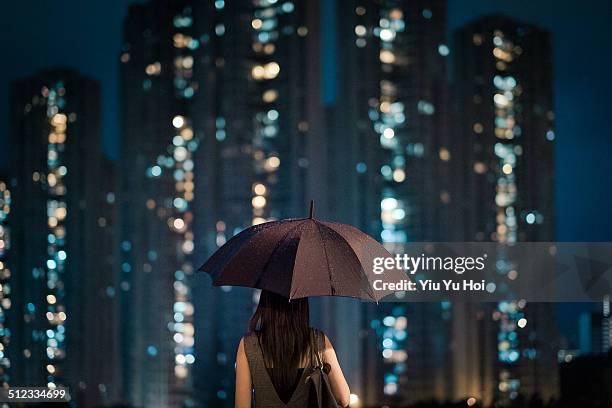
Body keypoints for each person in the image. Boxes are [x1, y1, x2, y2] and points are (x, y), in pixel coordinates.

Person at [235, 290, 350, 407]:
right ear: (302, 305)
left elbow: (241, 405)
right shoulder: (318, 340)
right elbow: (343, 398)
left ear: (265, 302)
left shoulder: (248, 345)